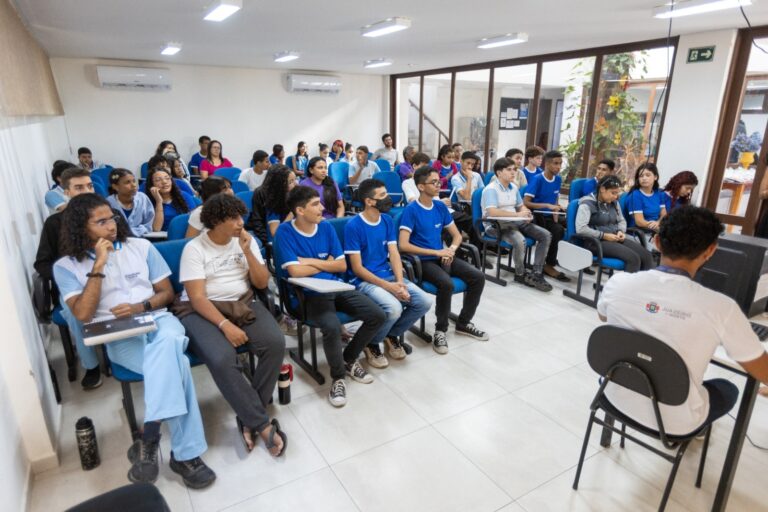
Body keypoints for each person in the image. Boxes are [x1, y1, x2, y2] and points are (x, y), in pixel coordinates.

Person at [53, 193, 216, 488]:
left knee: (167, 346)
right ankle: (185, 455)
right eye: (100, 222)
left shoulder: (140, 247)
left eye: (112, 218)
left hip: (158, 320)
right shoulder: (66, 266)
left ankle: (149, 436)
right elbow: (82, 313)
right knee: (175, 363)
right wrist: (99, 264)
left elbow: (165, 292)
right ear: (80, 227)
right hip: (116, 332)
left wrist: (142, 307)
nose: (111, 226)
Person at [597, 206, 768, 436]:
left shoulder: (618, 284)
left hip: (613, 396)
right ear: (710, 251)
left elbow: (603, 317)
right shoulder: (721, 308)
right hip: (674, 424)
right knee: (727, 388)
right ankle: (693, 431)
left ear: (656, 242)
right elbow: (762, 371)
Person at [178, 194, 286, 456]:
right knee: (222, 358)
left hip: (242, 301)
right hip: (201, 310)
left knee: (275, 343)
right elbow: (197, 297)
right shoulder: (194, 248)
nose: (241, 222)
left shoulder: (246, 242)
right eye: (234, 218)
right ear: (215, 221)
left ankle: (248, 414)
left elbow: (260, 284)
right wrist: (225, 325)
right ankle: (260, 423)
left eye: (241, 216)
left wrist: (248, 252)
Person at [274, 186, 386, 406]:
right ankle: (338, 378)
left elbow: (342, 265)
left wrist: (308, 261)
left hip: (335, 286)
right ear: (300, 210)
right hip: (306, 295)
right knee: (332, 326)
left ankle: (348, 359)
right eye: (315, 204)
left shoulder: (325, 228)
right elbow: (295, 272)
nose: (322, 208)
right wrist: (325, 265)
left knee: (377, 315)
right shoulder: (284, 233)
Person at [399, 166, 488, 354]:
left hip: (442, 256)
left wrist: (451, 250)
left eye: (439, 181)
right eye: (434, 182)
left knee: (478, 277)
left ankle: (463, 323)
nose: (439, 185)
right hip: (422, 261)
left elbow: (456, 235)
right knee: (446, 284)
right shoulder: (411, 210)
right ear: (421, 187)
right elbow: (403, 245)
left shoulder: (440, 206)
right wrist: (437, 252)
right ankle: (441, 330)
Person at [345, 179, 432, 368]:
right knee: (394, 308)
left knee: (424, 301)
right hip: (363, 281)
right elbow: (358, 268)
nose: (388, 198)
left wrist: (400, 283)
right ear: (369, 201)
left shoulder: (386, 220)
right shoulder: (353, 226)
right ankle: (372, 343)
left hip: (389, 276)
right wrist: (390, 287)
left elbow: (394, 253)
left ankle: (390, 335)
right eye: (383, 195)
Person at [35, 167, 102, 389]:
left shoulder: (105, 214)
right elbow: (42, 264)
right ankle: (92, 365)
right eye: (79, 187)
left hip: (107, 275)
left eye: (89, 186)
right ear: (66, 192)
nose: (86, 191)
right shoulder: (55, 224)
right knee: (76, 312)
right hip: (73, 285)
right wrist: (67, 274)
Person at [482, 158, 553, 291]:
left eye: (514, 169)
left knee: (545, 235)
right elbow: (492, 211)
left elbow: (521, 206)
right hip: (496, 225)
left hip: (515, 221)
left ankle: (537, 272)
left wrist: (526, 213)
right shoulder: (491, 189)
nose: (513, 172)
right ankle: (520, 273)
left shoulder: (514, 187)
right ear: (499, 172)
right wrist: (517, 215)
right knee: (520, 240)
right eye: (509, 170)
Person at [576, 175, 654, 273]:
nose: (616, 196)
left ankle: (640, 287)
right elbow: (581, 229)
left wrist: (621, 231)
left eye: (617, 193)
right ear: (603, 189)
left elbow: (621, 220)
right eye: (613, 193)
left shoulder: (614, 203)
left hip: (614, 238)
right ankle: (624, 288)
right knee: (633, 259)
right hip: (595, 242)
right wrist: (604, 235)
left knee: (647, 256)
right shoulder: (587, 204)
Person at [523, 150, 571, 282]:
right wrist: (548, 206)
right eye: (555, 163)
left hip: (550, 215)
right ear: (547, 164)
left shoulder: (558, 179)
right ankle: (548, 265)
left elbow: (555, 198)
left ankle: (570, 260)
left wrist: (556, 214)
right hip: (537, 215)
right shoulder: (537, 179)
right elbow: (526, 202)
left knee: (569, 224)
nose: (558, 167)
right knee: (557, 230)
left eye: (560, 163)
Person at [107, 168, 154, 237]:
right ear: (115, 187)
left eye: (134, 181)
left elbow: (148, 225)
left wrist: (133, 232)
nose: (133, 185)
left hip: (143, 239)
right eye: (127, 182)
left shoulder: (142, 198)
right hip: (118, 241)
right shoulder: (108, 203)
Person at [145, 167, 195, 231]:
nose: (164, 182)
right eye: (158, 180)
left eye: (167, 178)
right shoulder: (148, 202)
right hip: (162, 238)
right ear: (152, 185)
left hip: (185, 235)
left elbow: (194, 221)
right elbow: (156, 229)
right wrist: (159, 202)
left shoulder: (184, 196)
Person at [626, 163, 667, 235]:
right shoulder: (635, 195)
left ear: (655, 177)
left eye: (648, 175)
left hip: (655, 230)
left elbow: (663, 214)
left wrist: (658, 223)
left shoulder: (659, 193)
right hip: (640, 234)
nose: (644, 178)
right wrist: (658, 229)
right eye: (641, 176)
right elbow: (639, 222)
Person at [263, 165, 298, 239]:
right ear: (280, 185)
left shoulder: (293, 196)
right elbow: (275, 233)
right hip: (279, 242)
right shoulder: (274, 204)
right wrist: (293, 212)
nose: (296, 183)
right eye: (291, 181)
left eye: (295, 179)